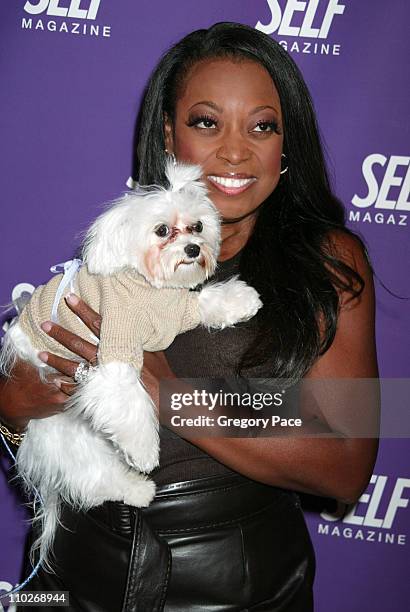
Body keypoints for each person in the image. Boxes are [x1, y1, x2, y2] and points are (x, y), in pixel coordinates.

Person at [0, 22, 379, 611]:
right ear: (168, 134)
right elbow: (52, 418)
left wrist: (167, 391)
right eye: (207, 122)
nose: (234, 149)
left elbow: (346, 459)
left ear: (287, 145)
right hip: (69, 569)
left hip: (230, 582)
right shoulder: (124, 243)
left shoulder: (329, 259)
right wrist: (11, 410)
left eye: (262, 126)